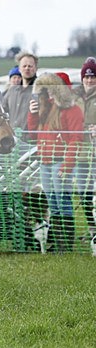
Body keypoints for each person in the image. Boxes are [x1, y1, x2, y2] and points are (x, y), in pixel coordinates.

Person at [26, 72, 84, 252]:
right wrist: (33, 114)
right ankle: (58, 242)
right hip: (45, 162)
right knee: (52, 202)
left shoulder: (72, 110)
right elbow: (32, 133)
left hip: (60, 162)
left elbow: (76, 139)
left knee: (63, 201)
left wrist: (67, 165)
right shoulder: (46, 107)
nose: (49, 93)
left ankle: (66, 244)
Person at [73, 57, 96, 240]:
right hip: (80, 154)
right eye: (87, 77)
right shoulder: (74, 97)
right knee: (83, 193)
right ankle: (92, 229)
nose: (89, 80)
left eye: (93, 77)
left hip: (95, 154)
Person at [3, 52, 38, 132]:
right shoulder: (11, 91)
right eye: (24, 66)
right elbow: (3, 111)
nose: (27, 68)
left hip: (31, 141)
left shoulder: (40, 91)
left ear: (36, 68)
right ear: (19, 68)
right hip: (12, 139)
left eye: (30, 66)